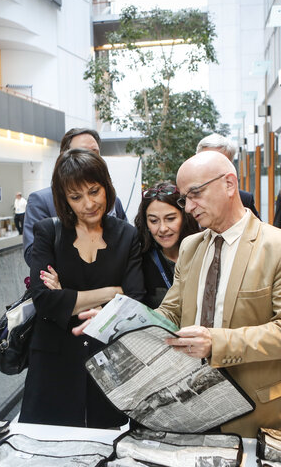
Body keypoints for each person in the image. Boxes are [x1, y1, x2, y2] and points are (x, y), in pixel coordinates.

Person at [76, 150, 281, 437]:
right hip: (190, 406)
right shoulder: (191, 247)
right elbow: (170, 313)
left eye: (195, 193)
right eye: (185, 197)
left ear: (229, 184)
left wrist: (217, 342)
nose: (188, 207)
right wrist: (118, 319)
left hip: (255, 410)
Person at [20, 148, 145, 428]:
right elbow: (44, 300)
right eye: (76, 197)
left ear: (107, 188)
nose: (88, 204)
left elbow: (135, 300)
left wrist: (67, 295)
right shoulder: (48, 232)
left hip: (107, 357)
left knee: (104, 447)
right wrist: (113, 293)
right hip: (53, 362)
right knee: (47, 447)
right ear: (64, 199)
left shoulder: (127, 235)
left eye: (94, 191)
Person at [23, 127, 127, 265]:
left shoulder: (112, 200)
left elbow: (127, 243)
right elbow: (33, 255)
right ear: (64, 156)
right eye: (82, 152)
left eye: (95, 152)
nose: (89, 205)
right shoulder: (41, 200)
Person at [132, 181, 201, 308]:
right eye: (154, 221)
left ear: (185, 217)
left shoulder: (204, 251)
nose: (163, 228)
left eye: (170, 219)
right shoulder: (139, 261)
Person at [196, 133, 260, 219]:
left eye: (219, 161)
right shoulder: (185, 199)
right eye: (208, 161)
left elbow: (257, 230)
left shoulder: (243, 199)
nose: (212, 167)